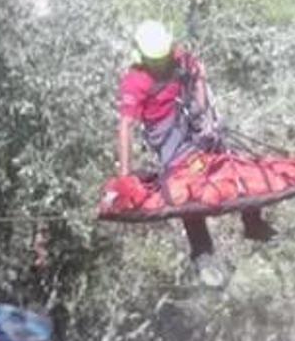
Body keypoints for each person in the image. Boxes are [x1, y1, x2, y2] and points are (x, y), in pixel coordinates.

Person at [116, 20, 276, 265]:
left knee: (234, 164)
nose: (161, 65)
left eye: (163, 59)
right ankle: (202, 253)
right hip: (165, 134)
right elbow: (126, 126)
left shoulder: (180, 58)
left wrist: (202, 112)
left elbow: (198, 75)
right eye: (156, 61)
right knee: (183, 189)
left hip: (190, 117)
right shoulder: (136, 81)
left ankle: (252, 222)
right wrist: (125, 176)